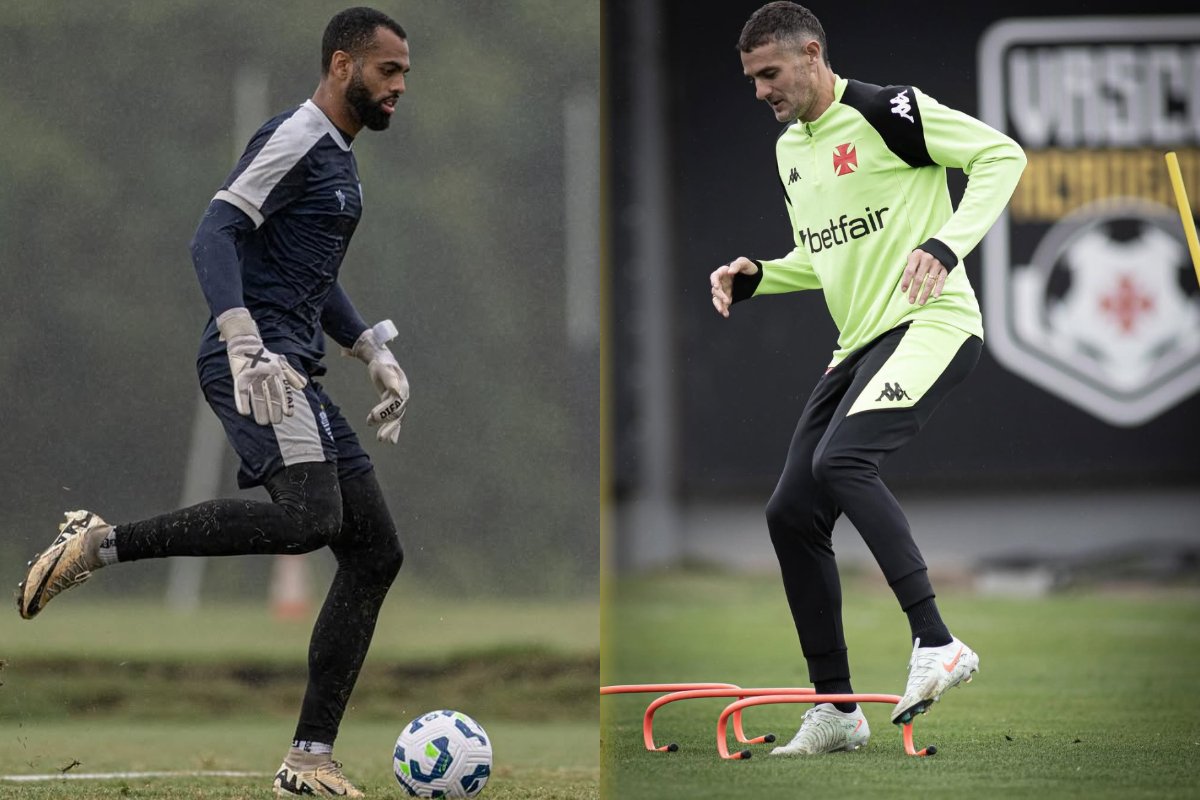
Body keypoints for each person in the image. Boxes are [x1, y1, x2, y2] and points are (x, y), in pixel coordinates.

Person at [17, 7, 413, 796]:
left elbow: (307, 267)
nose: (401, 87)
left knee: (374, 553)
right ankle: (97, 545)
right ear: (342, 66)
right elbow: (214, 232)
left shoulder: (338, 155)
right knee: (310, 522)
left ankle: (308, 759)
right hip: (259, 363)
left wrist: (370, 347)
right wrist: (241, 338)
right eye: (388, 71)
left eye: (405, 73)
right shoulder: (297, 136)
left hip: (296, 362)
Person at [709, 2, 1026, 756]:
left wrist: (946, 246)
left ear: (811, 54)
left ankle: (938, 641)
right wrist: (760, 276)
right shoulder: (792, 150)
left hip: (932, 324)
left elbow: (1002, 156)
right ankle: (838, 709)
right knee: (790, 511)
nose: (760, 91)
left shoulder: (890, 110)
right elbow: (824, 259)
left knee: (841, 461)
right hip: (858, 345)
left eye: (770, 74)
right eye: (751, 79)